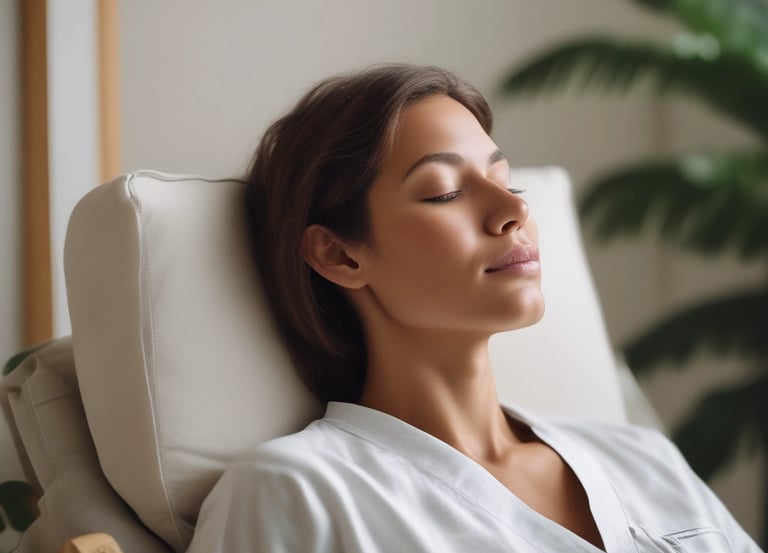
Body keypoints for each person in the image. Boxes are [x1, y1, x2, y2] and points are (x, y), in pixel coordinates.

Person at [187, 64, 761, 552]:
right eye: (444, 192)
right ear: (339, 254)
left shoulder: (643, 458)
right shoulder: (299, 493)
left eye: (506, 180)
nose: (510, 209)